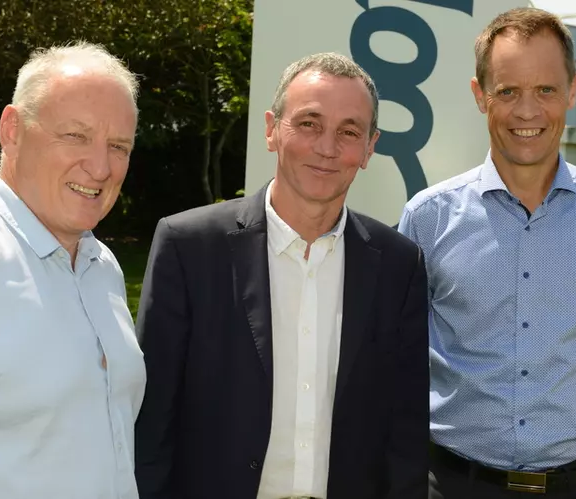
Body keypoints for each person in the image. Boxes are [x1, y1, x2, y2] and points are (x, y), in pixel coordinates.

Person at [134, 52, 430, 499]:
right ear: (272, 129)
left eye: (349, 132)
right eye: (309, 123)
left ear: (370, 148)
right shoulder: (189, 247)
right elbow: (152, 421)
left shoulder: (398, 264)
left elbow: (405, 432)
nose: (327, 147)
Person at [397, 7, 576, 499]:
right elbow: (403, 355)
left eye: (546, 90)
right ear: (480, 95)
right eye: (508, 90)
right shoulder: (428, 218)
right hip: (453, 485)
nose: (527, 111)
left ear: (573, 90)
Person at [0, 42, 145, 499]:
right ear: (12, 130)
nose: (100, 167)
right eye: (75, 136)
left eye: (117, 146)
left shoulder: (104, 269)